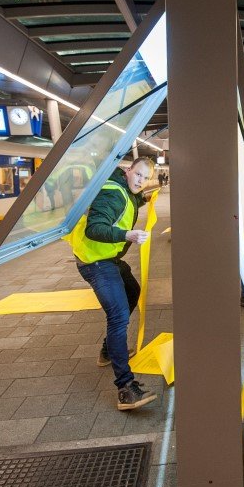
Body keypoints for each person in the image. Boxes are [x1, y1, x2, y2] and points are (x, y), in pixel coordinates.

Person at [70, 157, 157, 411]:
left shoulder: (125, 189)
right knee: (118, 317)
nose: (140, 181)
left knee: (133, 290)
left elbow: (132, 198)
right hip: (95, 261)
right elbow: (95, 228)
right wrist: (126, 234)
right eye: (138, 174)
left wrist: (145, 198)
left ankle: (108, 351)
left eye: (145, 178)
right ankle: (126, 389)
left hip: (108, 258)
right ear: (128, 171)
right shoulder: (113, 194)